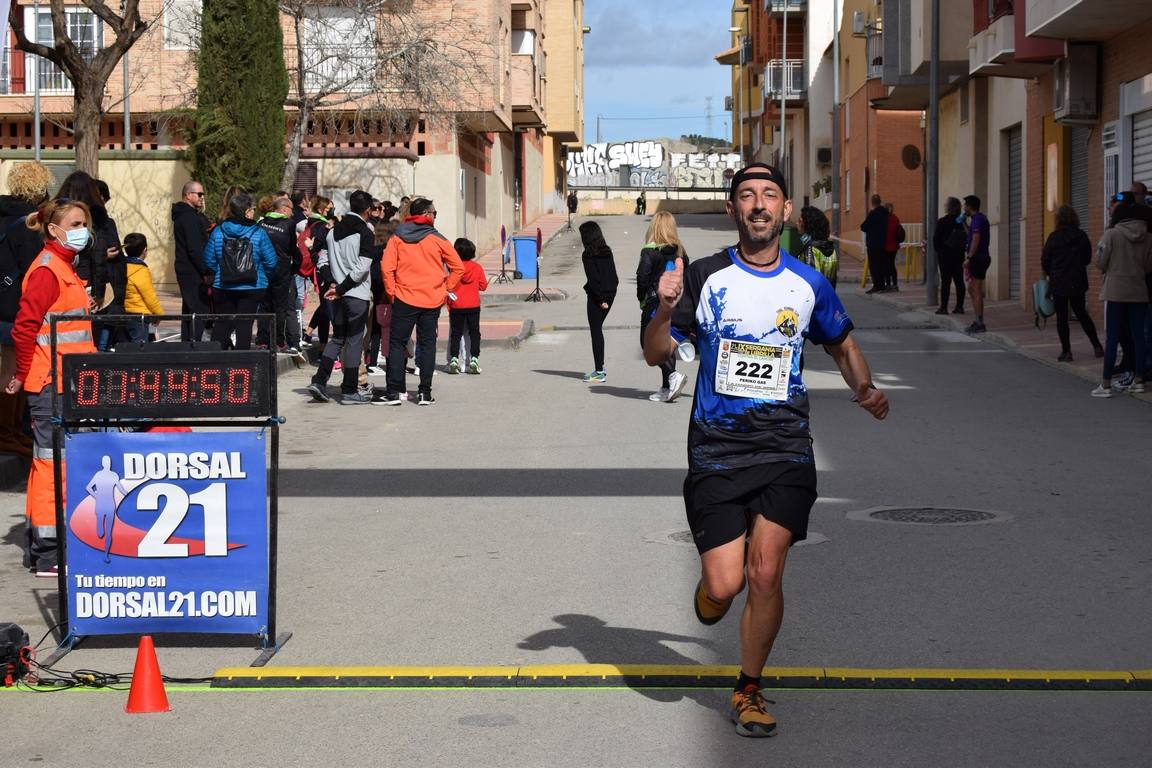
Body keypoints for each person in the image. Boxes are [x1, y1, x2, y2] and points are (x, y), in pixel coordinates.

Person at [643, 162, 888, 737]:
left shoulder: (807, 283)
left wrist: (867, 389)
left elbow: (842, 342)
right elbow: (658, 352)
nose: (758, 204)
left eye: (769, 195)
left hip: (785, 448)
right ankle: (711, 590)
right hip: (717, 449)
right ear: (733, 210)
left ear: (785, 210)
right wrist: (661, 308)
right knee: (726, 584)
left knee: (766, 572)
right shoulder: (703, 276)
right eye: (747, 195)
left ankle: (748, 688)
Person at [8, 198, 98, 577]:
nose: (83, 231)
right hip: (50, 382)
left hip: (64, 379)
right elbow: (25, 326)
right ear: (53, 229)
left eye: (84, 223)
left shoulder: (63, 268)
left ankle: (46, 544)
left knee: (54, 461)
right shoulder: (48, 270)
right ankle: (47, 551)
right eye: (76, 223)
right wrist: (24, 372)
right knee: (51, 464)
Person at [379, 197, 464, 406]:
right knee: (427, 345)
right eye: (434, 213)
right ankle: (425, 392)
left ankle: (394, 392)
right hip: (432, 300)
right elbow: (458, 268)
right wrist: (446, 289)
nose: (435, 216)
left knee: (397, 344)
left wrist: (392, 292)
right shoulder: (438, 239)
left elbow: (386, 267)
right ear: (426, 214)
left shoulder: (397, 236)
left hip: (404, 298)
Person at [0, 161, 52, 457]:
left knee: (9, 366)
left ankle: (10, 431)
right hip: (15, 308)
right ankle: (7, 431)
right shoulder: (29, 223)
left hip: (2, 304)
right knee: (16, 368)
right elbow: (33, 270)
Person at [308, 190, 378, 404]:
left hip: (336, 293)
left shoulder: (333, 231)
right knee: (355, 341)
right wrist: (341, 288)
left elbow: (322, 260)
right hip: (355, 294)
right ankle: (349, 390)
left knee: (338, 337)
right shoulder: (365, 232)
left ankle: (320, 380)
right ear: (367, 210)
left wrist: (332, 283)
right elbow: (362, 267)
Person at [1091, 192, 1152, 397]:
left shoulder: (1111, 234)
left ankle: (1106, 384)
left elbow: (1099, 261)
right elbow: (1148, 265)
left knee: (1113, 338)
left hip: (1116, 290)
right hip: (1138, 290)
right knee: (1138, 337)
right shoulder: (1148, 237)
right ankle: (1139, 380)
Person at [202, 191, 277, 350]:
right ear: (246, 211)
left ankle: (215, 360)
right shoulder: (258, 232)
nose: (254, 212)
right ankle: (241, 364)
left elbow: (209, 259)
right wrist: (263, 275)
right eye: (252, 209)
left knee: (222, 323)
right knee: (245, 324)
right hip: (253, 286)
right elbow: (271, 261)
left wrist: (219, 272)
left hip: (223, 286)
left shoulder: (219, 231)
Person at [637, 211, 688, 402]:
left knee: (647, 342)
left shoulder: (649, 251)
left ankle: (673, 376)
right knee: (665, 344)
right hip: (675, 302)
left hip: (654, 302)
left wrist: (642, 298)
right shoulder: (680, 250)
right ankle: (667, 387)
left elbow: (642, 277)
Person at [1041, 205, 1102, 362]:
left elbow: (1045, 260)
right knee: (1082, 314)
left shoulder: (1054, 237)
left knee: (1062, 318)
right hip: (1077, 281)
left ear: (1058, 219)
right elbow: (1087, 258)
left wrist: (1052, 273)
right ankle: (1097, 346)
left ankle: (1066, 351)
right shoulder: (1081, 236)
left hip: (1059, 281)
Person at [256, 193, 302, 354]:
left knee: (264, 306)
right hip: (281, 270)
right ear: (283, 209)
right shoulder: (289, 224)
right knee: (280, 307)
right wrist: (296, 266)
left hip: (262, 269)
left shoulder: (261, 223)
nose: (293, 212)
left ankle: (262, 340)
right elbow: (292, 248)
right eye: (291, 209)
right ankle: (278, 342)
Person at [172, 180, 212, 341]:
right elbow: (195, 248)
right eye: (199, 194)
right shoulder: (188, 217)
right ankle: (192, 346)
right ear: (188, 195)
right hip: (191, 270)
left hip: (187, 268)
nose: (202, 197)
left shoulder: (187, 215)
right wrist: (206, 271)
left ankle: (187, 345)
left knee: (190, 310)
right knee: (199, 309)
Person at [579, 220, 618, 383]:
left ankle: (599, 371)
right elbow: (613, 277)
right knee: (597, 330)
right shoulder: (607, 251)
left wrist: (600, 300)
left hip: (597, 297)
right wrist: (609, 297)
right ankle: (599, 369)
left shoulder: (588, 254)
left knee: (595, 331)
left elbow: (594, 279)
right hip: (610, 293)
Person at [447, 237, 488, 375]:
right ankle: (474, 359)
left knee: (456, 333)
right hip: (473, 305)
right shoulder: (477, 268)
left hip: (456, 305)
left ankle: (453, 359)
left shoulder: (454, 268)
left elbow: (448, 285)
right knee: (474, 333)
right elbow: (483, 286)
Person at [122, 232, 163, 344]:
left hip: (124, 312)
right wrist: (158, 314)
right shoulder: (141, 271)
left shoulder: (121, 267)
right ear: (145, 250)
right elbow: (149, 296)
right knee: (139, 347)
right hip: (139, 315)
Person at [933, 197, 967, 314]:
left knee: (946, 282)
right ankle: (959, 307)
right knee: (959, 281)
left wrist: (939, 250)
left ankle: (944, 307)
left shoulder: (942, 221)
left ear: (949, 207)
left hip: (945, 256)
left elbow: (936, 240)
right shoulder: (960, 222)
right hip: (958, 255)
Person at [963, 194, 992, 333]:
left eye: (965, 206)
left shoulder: (978, 219)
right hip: (979, 257)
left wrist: (969, 257)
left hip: (978, 258)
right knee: (972, 289)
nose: (964, 208)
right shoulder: (977, 219)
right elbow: (971, 234)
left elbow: (976, 238)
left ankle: (980, 322)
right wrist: (964, 224)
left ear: (969, 206)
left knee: (976, 289)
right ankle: (977, 320)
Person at [796, 205, 838, 288]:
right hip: (828, 295)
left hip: (814, 298)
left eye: (800, 221)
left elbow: (812, 280)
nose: (796, 223)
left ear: (808, 225)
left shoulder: (811, 249)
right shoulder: (830, 249)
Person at [860, 194, 890, 293]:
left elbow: (863, 227)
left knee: (874, 265)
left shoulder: (872, 214)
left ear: (872, 203)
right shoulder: (886, 214)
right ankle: (883, 284)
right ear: (880, 201)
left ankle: (877, 285)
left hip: (873, 244)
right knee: (882, 264)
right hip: (884, 243)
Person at [883, 202, 904, 292]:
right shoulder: (895, 218)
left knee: (887, 266)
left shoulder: (884, 219)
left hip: (886, 246)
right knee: (891, 265)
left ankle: (888, 284)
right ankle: (894, 284)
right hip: (894, 246)